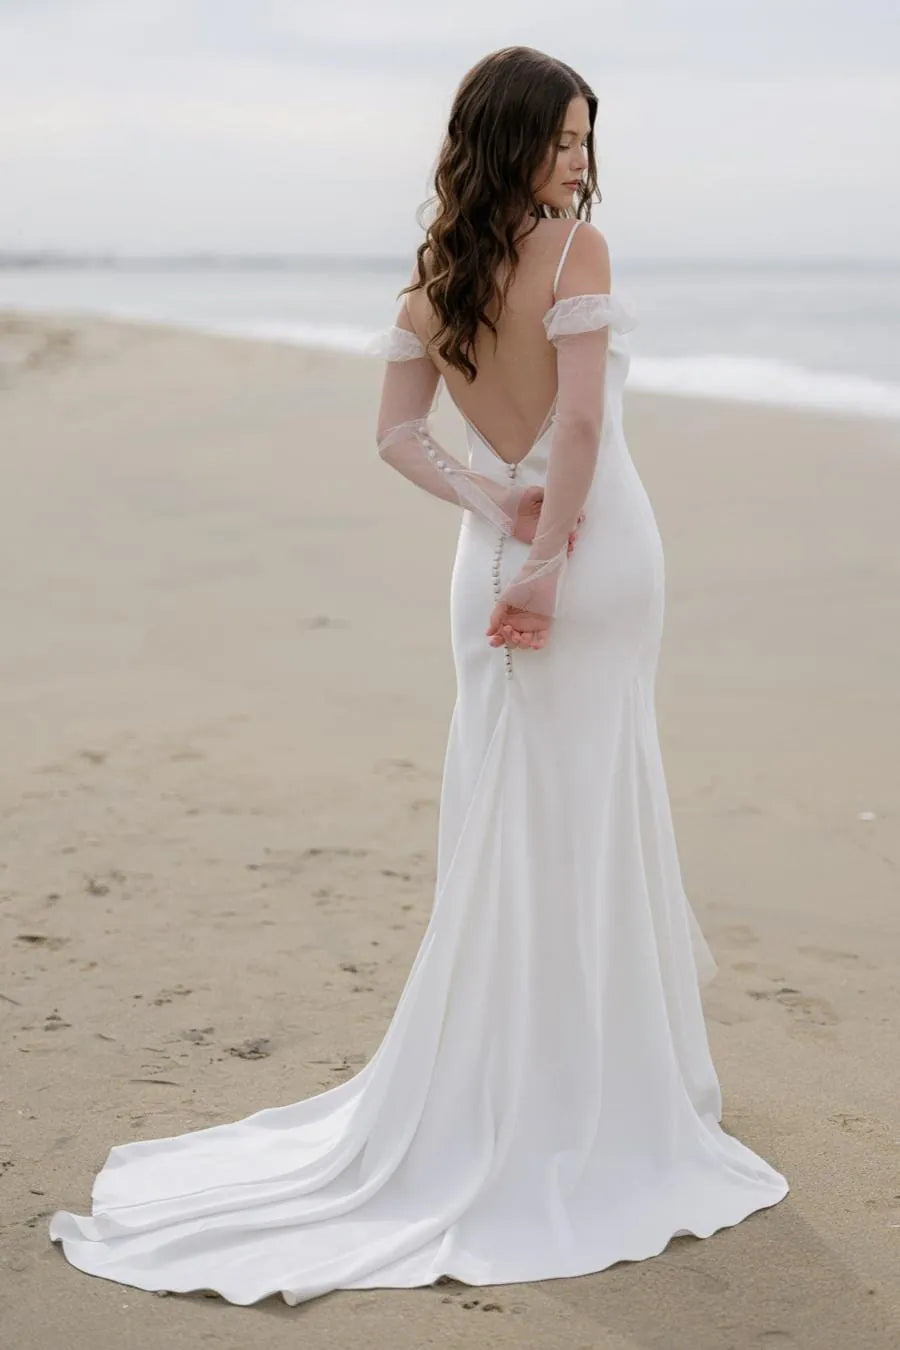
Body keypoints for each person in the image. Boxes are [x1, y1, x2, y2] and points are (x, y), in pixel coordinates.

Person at [48, 45, 789, 1308]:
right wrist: (548, 559)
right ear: (506, 138)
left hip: (495, 552)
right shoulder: (576, 255)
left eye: (588, 136)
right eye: (561, 136)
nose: (581, 159)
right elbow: (585, 431)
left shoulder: (437, 278)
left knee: (523, 809)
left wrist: (497, 510)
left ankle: (523, 1068)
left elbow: (401, 435)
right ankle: (585, 1086)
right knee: (573, 805)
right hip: (589, 558)